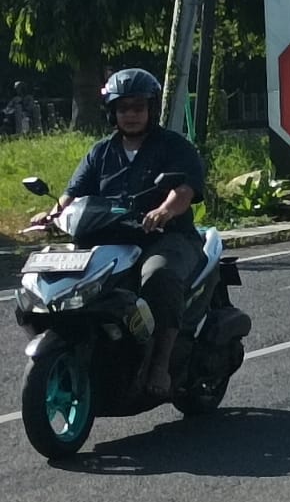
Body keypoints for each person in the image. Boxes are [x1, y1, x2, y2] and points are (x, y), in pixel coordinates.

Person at [33, 69, 207, 399]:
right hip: (110, 237)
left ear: (151, 110)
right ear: (112, 112)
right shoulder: (100, 151)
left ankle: (159, 362)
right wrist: (52, 214)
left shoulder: (174, 146)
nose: (130, 115)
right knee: (61, 274)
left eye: (138, 107)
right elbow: (74, 192)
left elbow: (184, 189)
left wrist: (164, 211)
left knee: (158, 276)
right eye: (123, 108)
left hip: (166, 238)